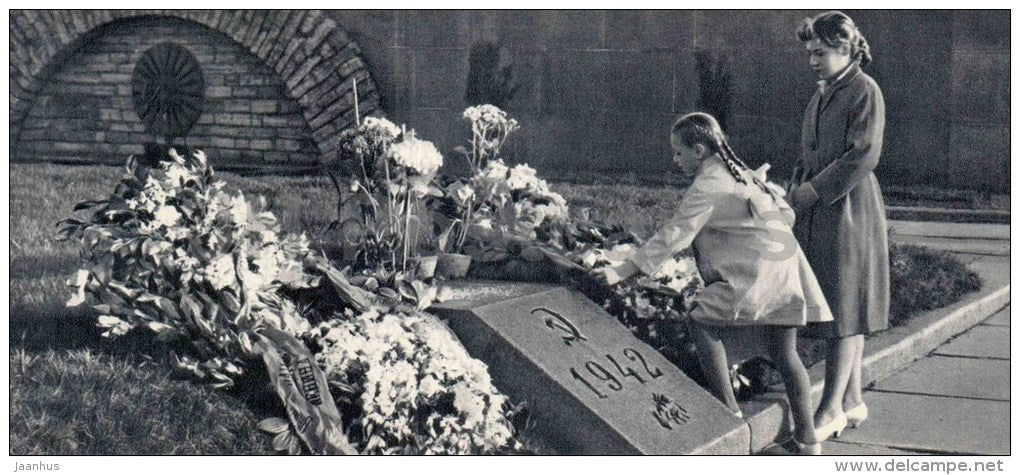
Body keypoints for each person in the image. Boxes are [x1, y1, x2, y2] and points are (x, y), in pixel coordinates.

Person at [600, 112, 833, 455]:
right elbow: (787, 214)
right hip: (786, 272)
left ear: (698, 151)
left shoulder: (709, 184)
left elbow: (676, 233)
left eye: (678, 152)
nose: (675, 159)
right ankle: (809, 440)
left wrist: (626, 269)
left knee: (700, 318)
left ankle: (729, 412)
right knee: (786, 354)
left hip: (757, 275)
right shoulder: (741, 174)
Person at [787, 11, 889, 443]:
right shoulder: (824, 91)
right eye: (809, 52)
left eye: (821, 52)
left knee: (845, 308)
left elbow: (863, 153)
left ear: (846, 49)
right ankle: (851, 399)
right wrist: (794, 186)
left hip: (850, 208)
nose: (813, 60)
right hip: (823, 209)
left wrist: (812, 191)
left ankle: (829, 409)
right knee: (843, 302)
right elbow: (808, 150)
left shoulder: (864, 90)